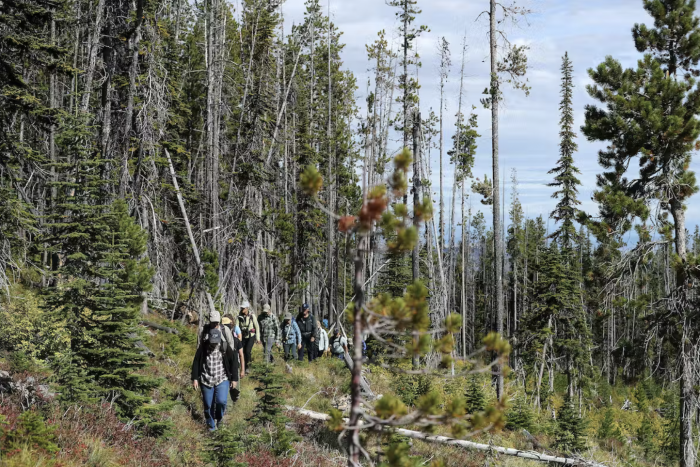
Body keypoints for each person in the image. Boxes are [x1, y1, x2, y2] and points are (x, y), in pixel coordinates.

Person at [191, 311, 244, 431]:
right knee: (208, 404)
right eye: (213, 322)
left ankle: (219, 419)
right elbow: (197, 359)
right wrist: (195, 378)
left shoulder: (224, 337)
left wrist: (234, 378)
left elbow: (233, 359)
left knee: (221, 401)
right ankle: (211, 426)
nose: (215, 324)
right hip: (206, 377)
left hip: (222, 376)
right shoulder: (204, 339)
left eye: (217, 322)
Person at [237, 301, 260, 373]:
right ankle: (243, 367)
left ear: (247, 308)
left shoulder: (252, 316)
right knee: (242, 352)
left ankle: (248, 367)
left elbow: (257, 327)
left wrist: (258, 338)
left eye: (243, 308)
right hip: (242, 337)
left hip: (251, 336)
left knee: (247, 351)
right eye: (242, 308)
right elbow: (237, 327)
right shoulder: (239, 316)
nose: (242, 309)